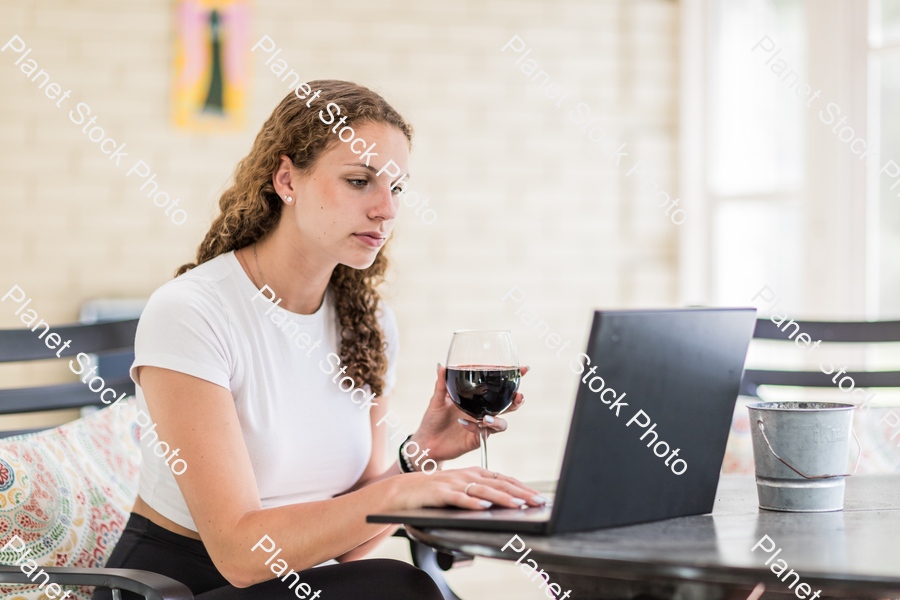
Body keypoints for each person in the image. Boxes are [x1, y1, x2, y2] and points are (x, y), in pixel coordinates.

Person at [94, 80, 545, 600]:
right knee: (405, 588)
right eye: (360, 181)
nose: (387, 209)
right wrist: (405, 491)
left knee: (402, 587)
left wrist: (418, 455)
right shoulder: (193, 312)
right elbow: (241, 555)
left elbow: (348, 547)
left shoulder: (368, 321)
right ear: (287, 179)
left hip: (302, 586)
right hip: (183, 587)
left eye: (396, 188)